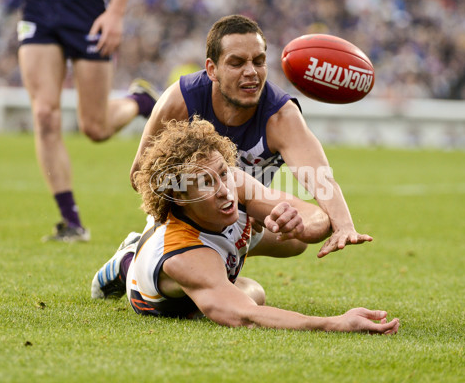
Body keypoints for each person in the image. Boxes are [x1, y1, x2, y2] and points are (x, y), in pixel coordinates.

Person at [92, 118, 399, 334]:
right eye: (205, 183)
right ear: (180, 197)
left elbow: (312, 213)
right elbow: (247, 317)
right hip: (160, 293)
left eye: (223, 174)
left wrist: (297, 223)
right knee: (250, 299)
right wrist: (337, 322)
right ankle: (127, 262)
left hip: (210, 242)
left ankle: (206, 259)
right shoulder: (183, 256)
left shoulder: (232, 183)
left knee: (292, 243)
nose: (225, 189)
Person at [130, 14, 372, 259]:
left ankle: (199, 252)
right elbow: (140, 176)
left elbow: (321, 180)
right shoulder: (180, 101)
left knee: (296, 240)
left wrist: (344, 226)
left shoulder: (281, 116)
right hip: (188, 213)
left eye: (259, 61)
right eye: (236, 63)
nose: (251, 72)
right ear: (212, 69)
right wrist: (199, 202)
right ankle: (139, 253)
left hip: (243, 213)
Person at [17, 0, 159, 242]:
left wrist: (116, 13)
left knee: (96, 128)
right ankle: (71, 222)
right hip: (38, 4)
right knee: (44, 115)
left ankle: (139, 101)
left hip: (87, 6)